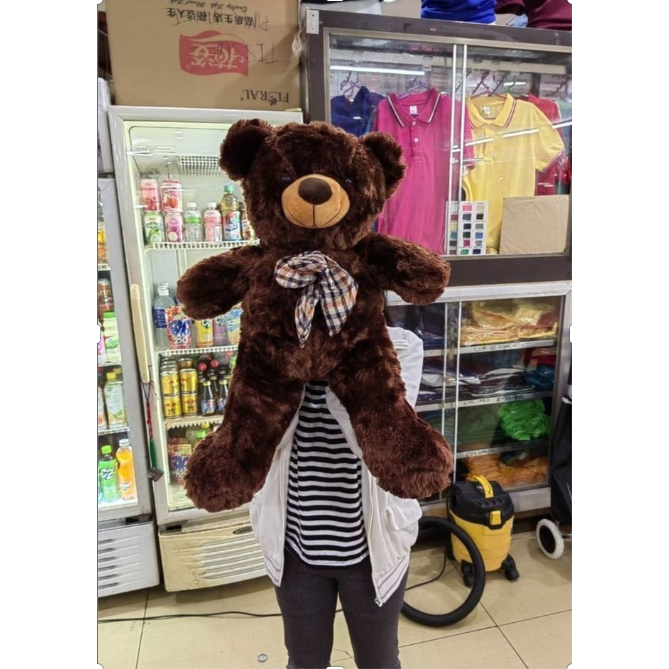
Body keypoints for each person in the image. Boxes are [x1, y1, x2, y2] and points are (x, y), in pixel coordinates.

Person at [248, 324, 426, 669]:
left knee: (379, 661)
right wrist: (293, 359)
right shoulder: (268, 346)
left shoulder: (403, 348)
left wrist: (343, 357)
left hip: (373, 550)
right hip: (296, 549)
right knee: (304, 661)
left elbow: (381, 443)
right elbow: (262, 438)